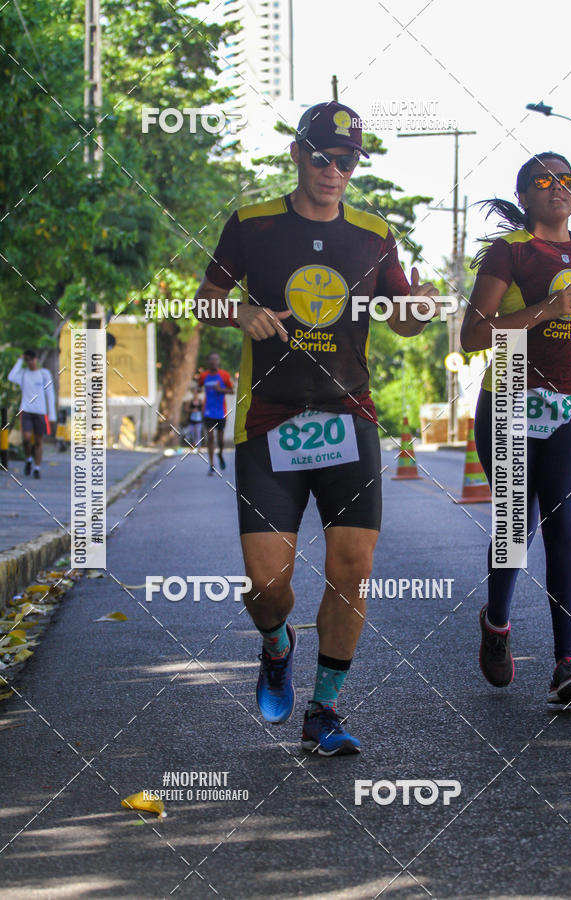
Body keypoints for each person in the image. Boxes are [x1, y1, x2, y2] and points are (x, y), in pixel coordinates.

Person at [194, 101, 440, 754]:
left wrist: (419, 309)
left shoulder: (373, 233)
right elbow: (205, 298)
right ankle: (276, 645)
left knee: (352, 568)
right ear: (298, 155)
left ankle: (324, 709)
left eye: (347, 161)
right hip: (269, 420)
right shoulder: (252, 224)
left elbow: (401, 317)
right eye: (323, 158)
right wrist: (238, 312)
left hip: (349, 416)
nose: (335, 172)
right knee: (267, 586)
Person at [461, 151, 571, 706]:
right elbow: (474, 335)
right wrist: (545, 309)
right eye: (544, 179)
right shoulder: (511, 251)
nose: (558, 186)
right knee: (516, 528)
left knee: (565, 528)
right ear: (523, 195)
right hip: (511, 393)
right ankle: (496, 624)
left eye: (566, 179)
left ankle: (567, 664)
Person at [8, 350, 56, 479]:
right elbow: (11, 377)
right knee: (27, 439)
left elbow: (50, 394)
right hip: (26, 411)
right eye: (27, 360)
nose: (30, 362)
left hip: (40, 412)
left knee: (39, 441)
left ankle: (37, 468)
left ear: (36, 359)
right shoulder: (23, 374)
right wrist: (20, 360)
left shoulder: (44, 374)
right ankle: (28, 459)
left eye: (32, 359)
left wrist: (52, 415)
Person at [196, 352, 234, 474]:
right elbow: (198, 387)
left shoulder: (224, 375)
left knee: (220, 440)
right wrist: (198, 390)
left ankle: (220, 453)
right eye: (211, 359)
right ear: (208, 361)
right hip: (208, 411)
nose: (213, 361)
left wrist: (220, 389)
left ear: (219, 361)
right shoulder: (204, 376)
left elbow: (232, 391)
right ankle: (211, 465)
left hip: (221, 412)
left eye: (216, 359)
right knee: (211, 438)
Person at [185, 387, 204, 451]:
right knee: (192, 433)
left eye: (196, 393)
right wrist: (192, 410)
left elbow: (203, 409)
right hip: (192, 420)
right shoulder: (190, 401)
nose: (195, 394)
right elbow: (186, 409)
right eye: (194, 393)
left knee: (198, 433)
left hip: (199, 420)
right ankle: (192, 446)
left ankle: (199, 447)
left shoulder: (201, 401)